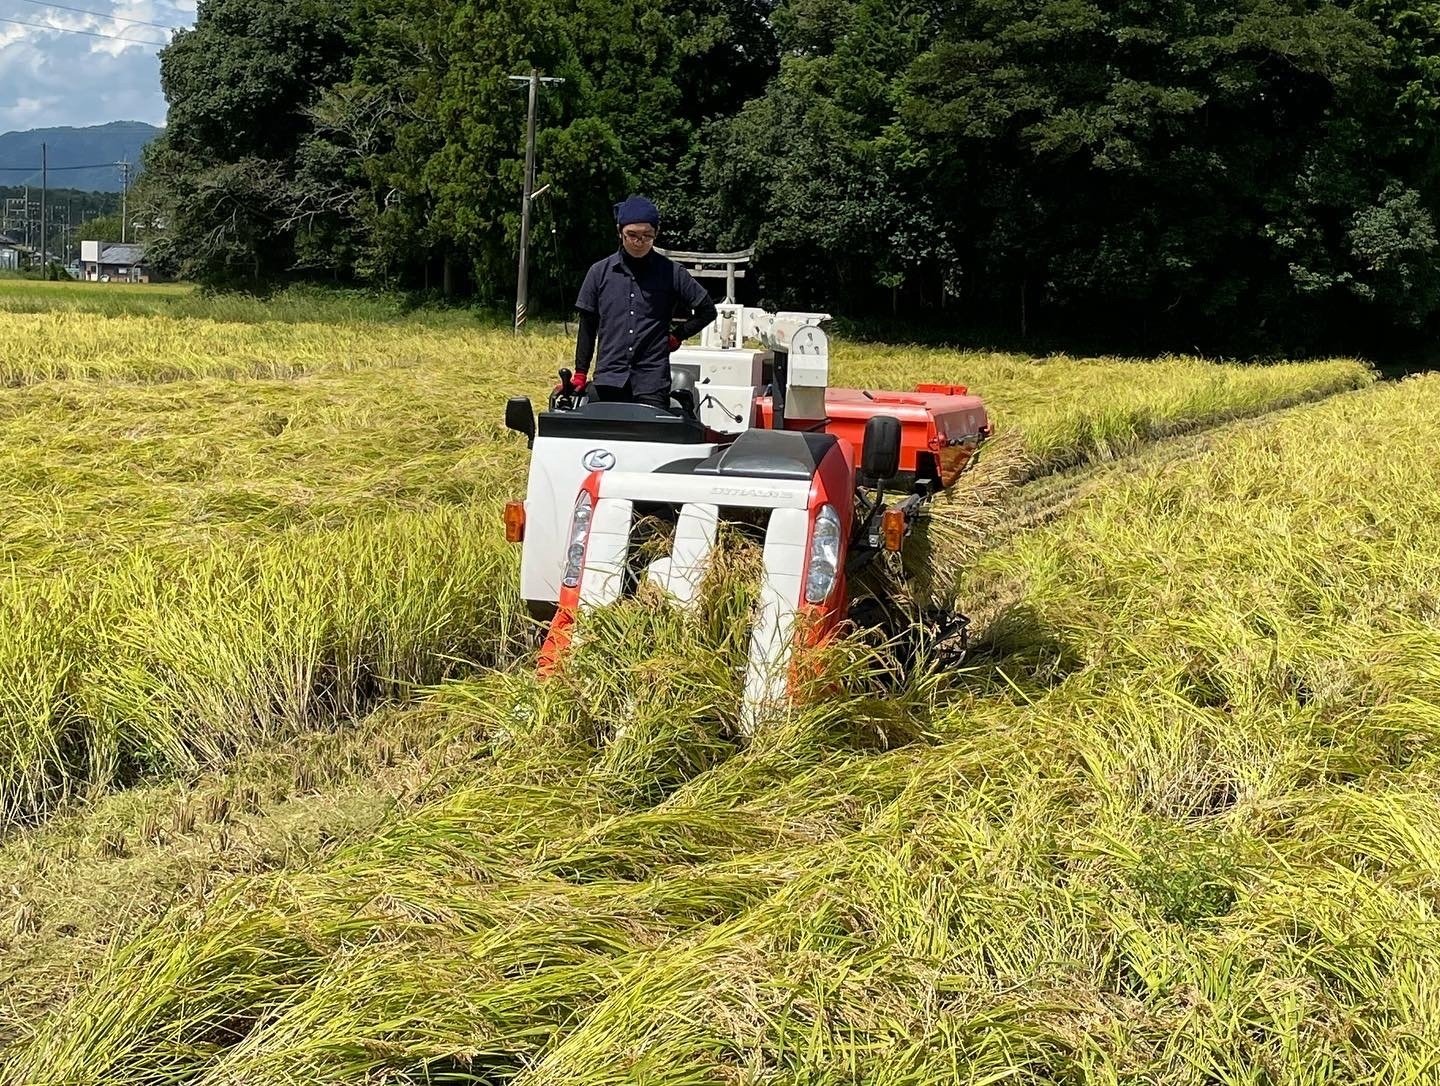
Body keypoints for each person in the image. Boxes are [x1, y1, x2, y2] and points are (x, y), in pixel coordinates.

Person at [567, 195, 717, 408]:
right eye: (632, 235)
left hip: (651, 380)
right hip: (609, 377)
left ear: (656, 233)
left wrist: (677, 336)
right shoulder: (598, 272)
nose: (639, 242)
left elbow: (707, 310)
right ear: (619, 231)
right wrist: (580, 372)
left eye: (647, 236)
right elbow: (587, 326)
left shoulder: (672, 272)